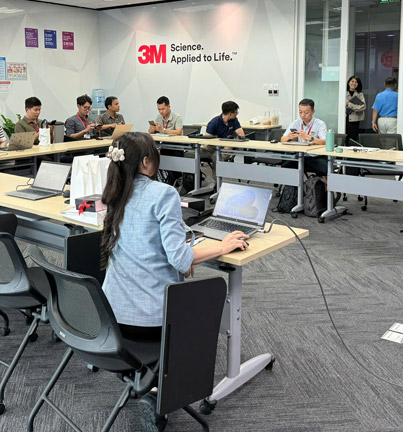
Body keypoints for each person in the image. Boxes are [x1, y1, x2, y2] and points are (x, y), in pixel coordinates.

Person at [100, 132, 248, 341]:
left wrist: (181, 257)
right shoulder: (164, 193)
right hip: (152, 320)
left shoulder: (115, 190)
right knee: (210, 294)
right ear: (145, 162)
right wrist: (222, 247)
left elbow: (141, 241)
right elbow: (179, 259)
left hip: (112, 316)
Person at [281, 99, 328, 177]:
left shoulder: (320, 124)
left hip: (315, 157)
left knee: (325, 169)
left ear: (313, 111)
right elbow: (282, 139)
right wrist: (289, 137)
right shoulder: (296, 123)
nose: (303, 115)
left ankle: (320, 184)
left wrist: (309, 138)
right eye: (300, 112)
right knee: (285, 166)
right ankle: (291, 184)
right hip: (300, 156)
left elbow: (325, 142)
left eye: (306, 112)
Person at [345, 76, 366, 144]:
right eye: (352, 81)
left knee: (353, 138)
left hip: (355, 119)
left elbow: (362, 107)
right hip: (345, 118)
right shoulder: (344, 93)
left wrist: (349, 104)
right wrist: (354, 106)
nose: (354, 83)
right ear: (348, 82)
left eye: (356, 82)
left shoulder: (360, 94)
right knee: (345, 138)